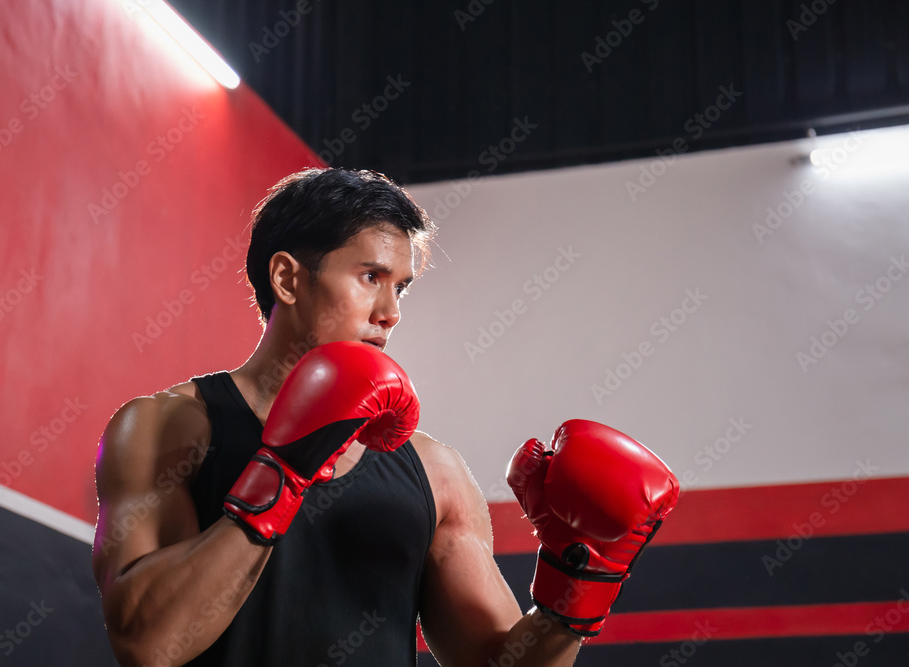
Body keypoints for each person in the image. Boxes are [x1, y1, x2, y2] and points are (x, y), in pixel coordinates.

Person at [91, 168, 677, 666]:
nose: (391, 312)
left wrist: (577, 584)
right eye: (370, 277)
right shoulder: (168, 428)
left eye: (402, 288)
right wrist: (284, 470)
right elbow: (149, 645)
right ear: (288, 278)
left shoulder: (436, 473)